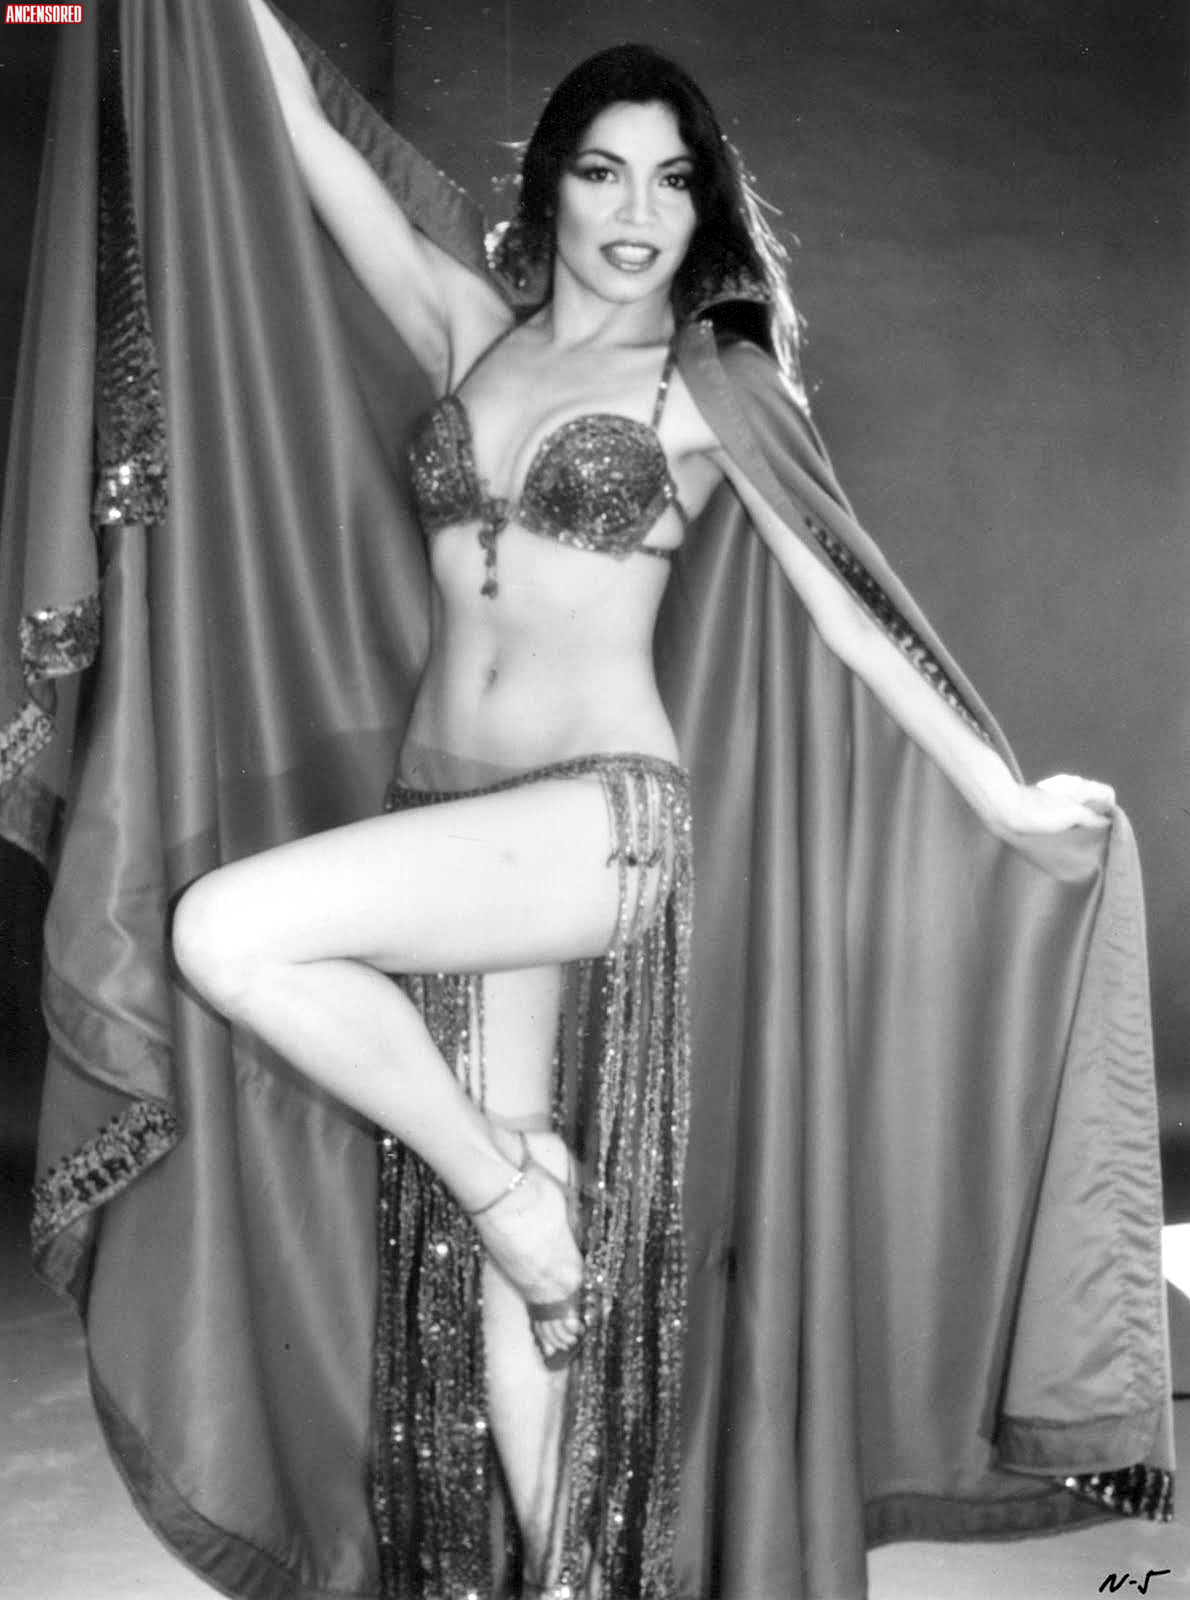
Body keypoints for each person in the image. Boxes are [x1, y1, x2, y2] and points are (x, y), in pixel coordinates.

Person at [4, 6, 1170, 1600]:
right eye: (605, 173)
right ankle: (565, 1566)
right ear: (549, 185)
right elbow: (296, 133)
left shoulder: (704, 386)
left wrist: (1001, 791)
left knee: (231, 934)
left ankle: (513, 1197)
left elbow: (844, 607)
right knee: (508, 1268)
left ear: (705, 209)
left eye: (673, 182)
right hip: (450, 805)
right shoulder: (468, 334)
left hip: (594, 822)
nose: (636, 213)